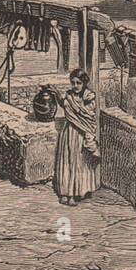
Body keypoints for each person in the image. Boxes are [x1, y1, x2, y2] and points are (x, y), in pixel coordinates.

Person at [53, 69, 101, 205]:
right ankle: (65, 192)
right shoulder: (69, 96)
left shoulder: (89, 97)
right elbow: (66, 107)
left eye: (78, 83)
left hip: (81, 134)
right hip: (69, 132)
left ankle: (76, 192)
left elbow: (89, 117)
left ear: (84, 83)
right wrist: (57, 94)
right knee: (67, 161)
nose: (75, 86)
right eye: (73, 83)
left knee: (79, 163)